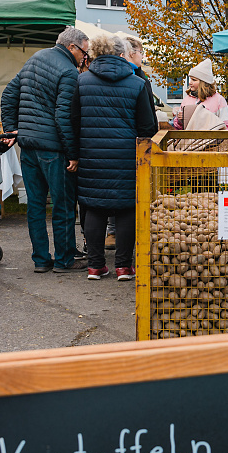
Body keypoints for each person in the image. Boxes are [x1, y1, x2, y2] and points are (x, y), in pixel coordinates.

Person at [1, 26, 90, 273]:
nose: (85, 58)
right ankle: (64, 260)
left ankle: (41, 260)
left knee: (36, 206)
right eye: (84, 52)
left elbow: (8, 94)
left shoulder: (35, 58)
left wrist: (12, 130)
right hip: (54, 150)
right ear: (72, 47)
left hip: (28, 146)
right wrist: (73, 154)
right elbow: (64, 117)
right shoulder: (68, 71)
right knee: (63, 206)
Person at [71, 35, 157, 280]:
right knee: (126, 209)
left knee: (95, 208)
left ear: (95, 54)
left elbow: (74, 121)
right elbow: (147, 126)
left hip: (91, 156)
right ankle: (123, 267)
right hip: (126, 158)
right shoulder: (136, 84)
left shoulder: (82, 81)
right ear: (122, 55)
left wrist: (75, 153)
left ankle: (95, 266)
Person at [172, 59, 228, 130]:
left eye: (194, 80)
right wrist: (180, 121)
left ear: (203, 82)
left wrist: (223, 141)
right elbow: (178, 128)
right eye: (190, 79)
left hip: (212, 140)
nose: (190, 82)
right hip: (189, 140)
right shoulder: (187, 99)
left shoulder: (219, 100)